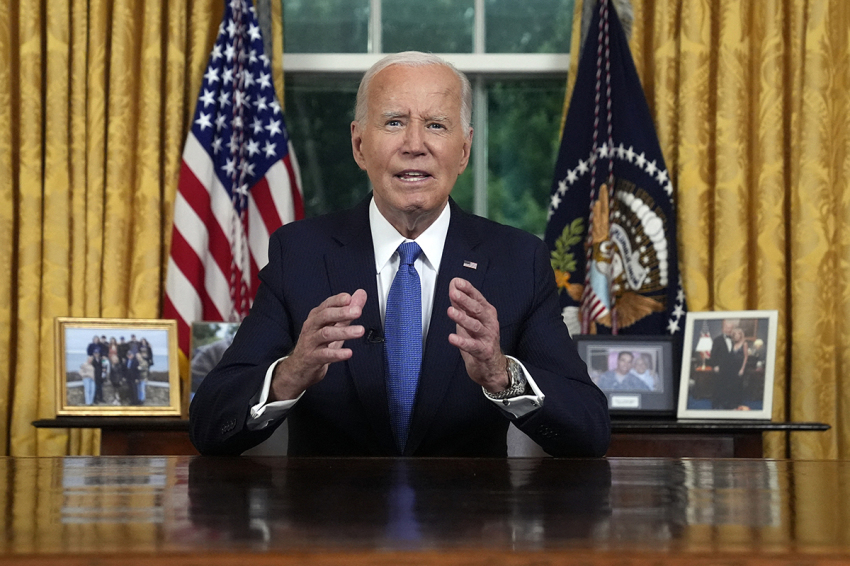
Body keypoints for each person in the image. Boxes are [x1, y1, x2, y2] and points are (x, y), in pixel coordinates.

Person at [189, 51, 610, 458]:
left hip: (468, 505)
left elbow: (589, 430)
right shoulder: (299, 254)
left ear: (464, 150)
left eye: (436, 125)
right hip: (330, 507)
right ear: (359, 145)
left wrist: (503, 376)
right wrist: (289, 375)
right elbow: (210, 425)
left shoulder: (518, 261)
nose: (415, 145)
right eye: (394, 122)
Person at [709, 318, 740, 409]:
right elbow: (713, 355)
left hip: (731, 369)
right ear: (723, 328)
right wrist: (715, 366)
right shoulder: (717, 340)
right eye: (727, 328)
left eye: (731, 328)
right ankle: (715, 404)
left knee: (729, 387)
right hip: (720, 368)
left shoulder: (735, 340)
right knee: (718, 387)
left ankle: (728, 404)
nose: (729, 330)